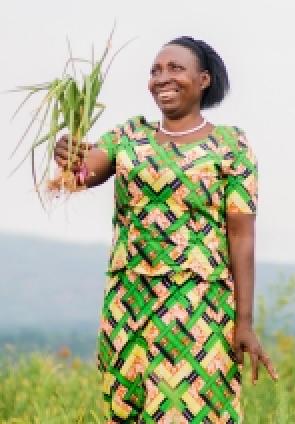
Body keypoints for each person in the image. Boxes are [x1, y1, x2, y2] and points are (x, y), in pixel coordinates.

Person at [54, 35, 276, 423]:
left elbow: (241, 236)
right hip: (129, 305)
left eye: (175, 68)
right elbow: (86, 173)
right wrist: (71, 157)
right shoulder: (128, 137)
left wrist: (244, 323)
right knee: (129, 409)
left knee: (194, 410)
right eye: (155, 70)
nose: (162, 78)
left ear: (203, 80)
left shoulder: (230, 147)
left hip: (198, 306)